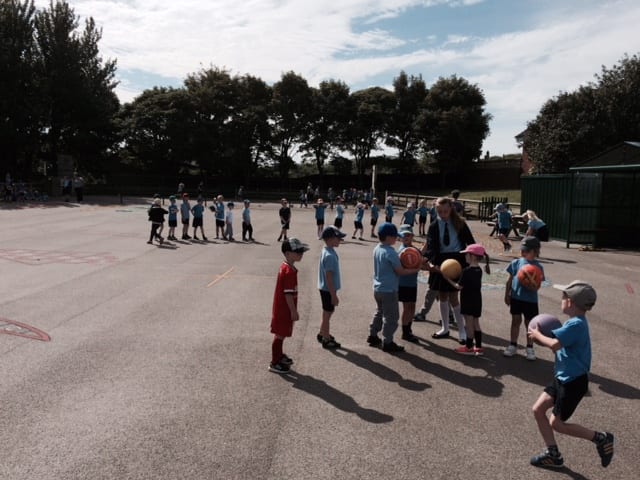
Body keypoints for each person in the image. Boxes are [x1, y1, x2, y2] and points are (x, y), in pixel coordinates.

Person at [528, 281, 614, 469]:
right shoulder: (573, 323)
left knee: (557, 424)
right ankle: (553, 455)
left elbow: (554, 345)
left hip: (573, 382)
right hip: (562, 377)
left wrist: (537, 334)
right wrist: (545, 336)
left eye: (563, 297)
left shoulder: (576, 325)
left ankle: (601, 438)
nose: (561, 299)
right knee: (538, 409)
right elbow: (558, 341)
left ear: (570, 302)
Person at [425, 197, 476, 343]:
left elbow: (470, 242)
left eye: (445, 211)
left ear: (451, 209)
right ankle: (445, 328)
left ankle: (462, 331)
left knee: (454, 297)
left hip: (456, 261)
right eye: (439, 211)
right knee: (442, 296)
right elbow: (431, 246)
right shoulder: (434, 225)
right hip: (441, 261)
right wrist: (427, 260)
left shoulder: (460, 223)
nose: (443, 214)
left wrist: (473, 258)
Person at [366, 223, 421, 353]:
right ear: (388, 237)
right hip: (389, 290)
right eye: (395, 236)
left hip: (378, 288)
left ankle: (373, 335)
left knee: (379, 312)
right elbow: (400, 271)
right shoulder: (390, 252)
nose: (397, 238)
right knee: (391, 317)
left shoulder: (377, 248)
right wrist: (415, 269)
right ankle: (388, 342)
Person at [269, 238, 310, 373]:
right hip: (284, 309)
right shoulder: (288, 272)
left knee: (282, 333)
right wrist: (293, 311)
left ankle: (279, 355)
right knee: (280, 334)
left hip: (283, 308)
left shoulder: (287, 267)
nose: (301, 254)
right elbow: (288, 294)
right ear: (287, 253)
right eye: (297, 252)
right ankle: (275, 362)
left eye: (301, 252)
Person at [503, 236, 545, 360]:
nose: (522, 252)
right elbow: (509, 280)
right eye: (522, 249)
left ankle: (530, 348)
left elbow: (538, 284)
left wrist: (532, 284)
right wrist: (507, 294)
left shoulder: (538, 267)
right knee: (515, 321)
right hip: (516, 298)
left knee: (530, 324)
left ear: (535, 251)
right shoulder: (516, 263)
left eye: (526, 250)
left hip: (530, 300)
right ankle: (513, 345)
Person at [449, 244, 491, 355]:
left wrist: (447, 278)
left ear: (472, 256)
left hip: (467, 300)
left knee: (469, 324)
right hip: (477, 300)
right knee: (476, 322)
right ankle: (478, 347)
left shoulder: (466, 271)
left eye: (466, 254)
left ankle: (468, 348)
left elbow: (459, 287)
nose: (465, 256)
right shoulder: (479, 270)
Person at [317, 226, 346, 349]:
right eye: (338, 238)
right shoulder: (329, 255)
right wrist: (333, 295)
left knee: (327, 312)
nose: (340, 240)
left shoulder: (328, 250)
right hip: (328, 290)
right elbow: (328, 277)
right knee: (328, 314)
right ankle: (326, 338)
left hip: (326, 289)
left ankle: (322, 332)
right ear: (329, 239)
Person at [397, 224, 421, 343]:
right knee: (407, 308)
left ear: (412, 236)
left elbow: (421, 259)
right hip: (403, 284)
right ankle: (405, 332)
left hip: (412, 283)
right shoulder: (402, 251)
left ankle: (409, 328)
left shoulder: (414, 250)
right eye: (403, 235)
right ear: (399, 237)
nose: (406, 237)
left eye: (408, 235)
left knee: (412, 306)